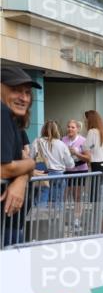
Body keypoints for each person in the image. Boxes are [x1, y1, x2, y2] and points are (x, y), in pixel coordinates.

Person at [1, 65, 40, 246]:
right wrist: (31, 163)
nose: (24, 98)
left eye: (27, 92)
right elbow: (4, 169)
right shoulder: (1, 112)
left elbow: (12, 167)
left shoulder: (10, 117)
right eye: (16, 90)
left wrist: (22, 178)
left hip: (9, 223)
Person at [31, 120, 75, 207]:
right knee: (57, 202)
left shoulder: (37, 142)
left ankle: (40, 220)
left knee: (41, 200)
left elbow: (30, 158)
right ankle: (56, 220)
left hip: (42, 174)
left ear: (43, 129)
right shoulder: (61, 144)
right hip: (58, 174)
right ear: (56, 130)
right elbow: (70, 164)